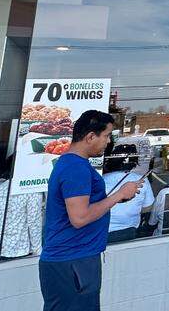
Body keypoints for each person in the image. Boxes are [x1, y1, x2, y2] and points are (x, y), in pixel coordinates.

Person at [40, 110, 140, 311]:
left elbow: (84, 208)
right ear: (90, 137)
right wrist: (118, 195)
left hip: (75, 259)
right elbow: (79, 217)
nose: (108, 142)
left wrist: (114, 200)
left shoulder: (72, 164)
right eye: (106, 136)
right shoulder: (74, 168)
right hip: (73, 261)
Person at [102, 154, 155, 243]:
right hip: (130, 232)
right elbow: (147, 208)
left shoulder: (99, 180)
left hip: (101, 233)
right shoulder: (141, 180)